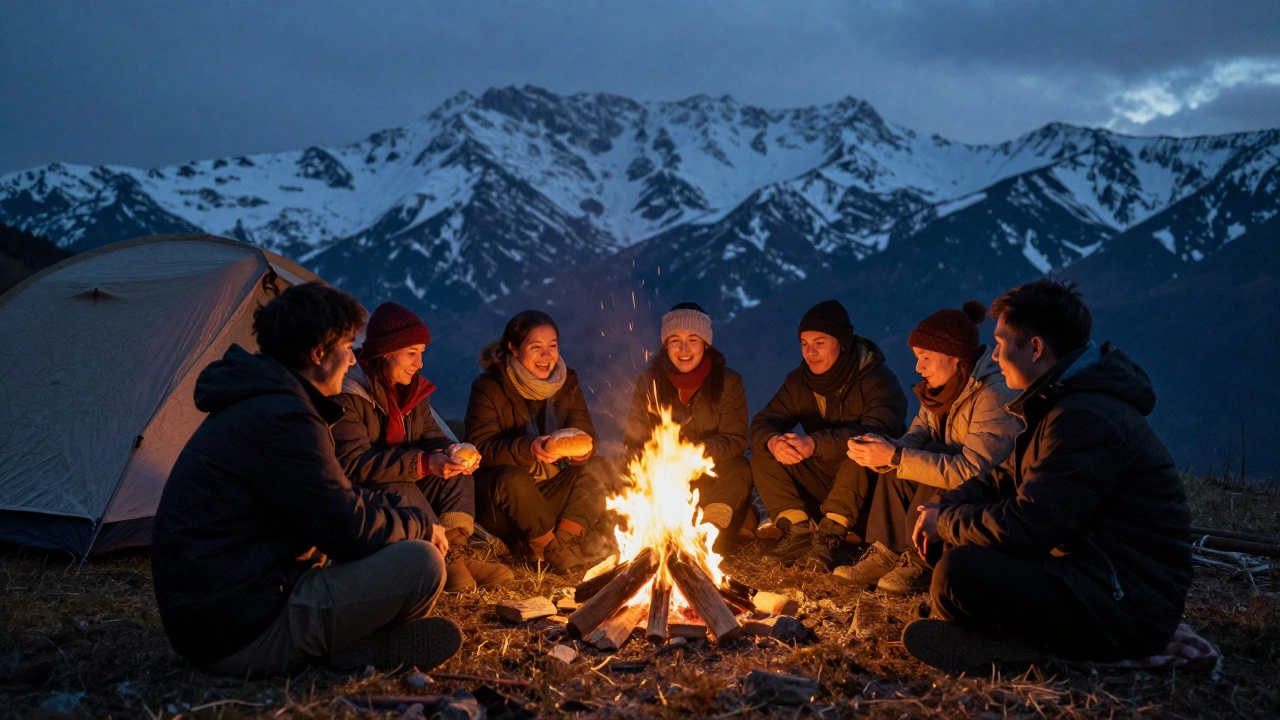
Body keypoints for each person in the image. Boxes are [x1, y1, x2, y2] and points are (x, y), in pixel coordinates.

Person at [152, 283, 461, 677]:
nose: (353, 360)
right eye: (348, 347)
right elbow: (345, 528)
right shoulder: (284, 418)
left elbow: (335, 498)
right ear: (318, 354)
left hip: (222, 616)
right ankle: (342, 648)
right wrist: (418, 525)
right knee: (421, 563)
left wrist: (400, 514)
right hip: (241, 633)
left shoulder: (264, 403)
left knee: (393, 542)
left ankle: (353, 646)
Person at [901, 279, 1192, 672]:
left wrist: (948, 522)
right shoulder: (1057, 403)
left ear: (1035, 348)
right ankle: (1000, 636)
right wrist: (946, 505)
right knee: (958, 555)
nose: (997, 356)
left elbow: (1028, 525)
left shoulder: (1085, 418)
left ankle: (1019, 649)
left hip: (1125, 607)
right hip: (1085, 575)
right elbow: (1003, 477)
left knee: (960, 573)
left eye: (1002, 344)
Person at [837, 301, 1021, 594]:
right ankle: (887, 550)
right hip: (957, 483)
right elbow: (915, 438)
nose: (918, 367)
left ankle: (923, 558)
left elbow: (976, 471)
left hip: (986, 499)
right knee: (903, 458)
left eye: (925, 357)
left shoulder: (992, 394)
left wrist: (897, 456)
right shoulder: (939, 392)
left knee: (933, 454)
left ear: (955, 357)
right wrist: (883, 452)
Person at [333, 301, 514, 592]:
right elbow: (353, 464)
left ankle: (456, 552)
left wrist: (452, 452)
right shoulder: (348, 393)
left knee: (457, 474)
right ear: (385, 352)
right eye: (411, 353)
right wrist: (424, 463)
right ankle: (441, 559)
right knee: (399, 486)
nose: (420, 364)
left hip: (400, 477)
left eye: (422, 353)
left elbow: (431, 435)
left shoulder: (411, 390)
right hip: (361, 495)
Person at [749, 299, 908, 572]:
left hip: (871, 487)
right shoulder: (799, 381)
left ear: (842, 342)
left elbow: (881, 432)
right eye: (804, 343)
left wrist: (813, 443)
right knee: (766, 449)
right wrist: (773, 441)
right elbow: (764, 421)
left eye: (820, 342)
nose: (810, 352)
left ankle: (831, 535)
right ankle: (798, 529)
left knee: (861, 449)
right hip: (825, 478)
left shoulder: (877, 379)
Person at [465, 310, 610, 575]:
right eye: (536, 347)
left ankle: (563, 542)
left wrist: (578, 455)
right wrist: (528, 448)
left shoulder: (567, 382)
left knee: (602, 467)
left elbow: (587, 435)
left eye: (552, 346)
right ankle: (544, 546)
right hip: (507, 501)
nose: (547, 356)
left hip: (552, 486)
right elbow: (480, 448)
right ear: (514, 349)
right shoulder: (489, 387)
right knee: (513, 478)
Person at [623, 302, 752, 548]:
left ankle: (709, 533)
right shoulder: (649, 382)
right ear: (665, 345)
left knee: (739, 468)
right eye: (675, 340)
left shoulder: (729, 382)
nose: (684, 349)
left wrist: (693, 455)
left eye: (693, 339)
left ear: (706, 343)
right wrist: (662, 459)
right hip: (663, 479)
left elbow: (736, 439)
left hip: (711, 478)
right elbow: (634, 438)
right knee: (622, 465)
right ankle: (644, 529)